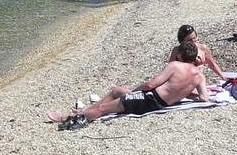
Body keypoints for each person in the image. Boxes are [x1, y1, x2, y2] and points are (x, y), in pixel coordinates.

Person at [45, 40, 208, 123]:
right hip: (159, 102)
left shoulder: (175, 65)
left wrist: (137, 91)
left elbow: (150, 85)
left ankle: (67, 119)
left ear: (180, 55)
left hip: (148, 101)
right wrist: (184, 94)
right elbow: (204, 99)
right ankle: (83, 112)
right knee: (117, 91)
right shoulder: (199, 76)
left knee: (103, 108)